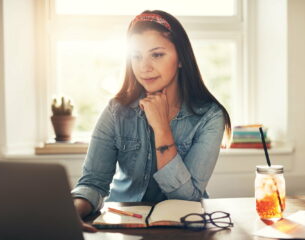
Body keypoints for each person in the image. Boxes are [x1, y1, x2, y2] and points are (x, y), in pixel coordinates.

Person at [71, 10, 231, 231]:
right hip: (122, 223)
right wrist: (71, 213)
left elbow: (188, 200)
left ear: (181, 59)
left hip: (184, 228)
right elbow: (92, 183)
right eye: (136, 56)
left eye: (156, 55)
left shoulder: (210, 117)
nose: (144, 67)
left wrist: (161, 127)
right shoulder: (116, 111)